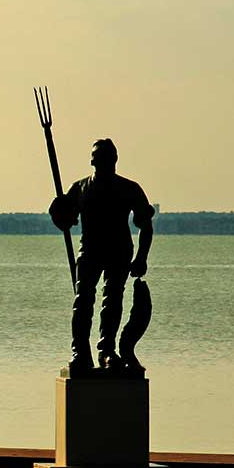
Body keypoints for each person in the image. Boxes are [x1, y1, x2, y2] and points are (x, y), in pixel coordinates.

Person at [49, 138, 154, 374]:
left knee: (113, 300)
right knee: (83, 301)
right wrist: (60, 214)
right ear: (92, 162)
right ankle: (80, 351)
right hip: (90, 251)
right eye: (98, 159)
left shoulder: (129, 188)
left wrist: (141, 257)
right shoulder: (80, 188)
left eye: (106, 158)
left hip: (119, 251)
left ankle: (107, 350)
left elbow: (145, 225)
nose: (102, 163)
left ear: (114, 160)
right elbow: (65, 219)